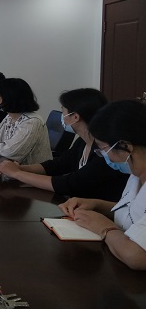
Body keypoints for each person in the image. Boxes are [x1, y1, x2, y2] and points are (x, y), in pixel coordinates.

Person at [58, 100, 146, 270]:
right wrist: (97, 204)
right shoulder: (136, 173)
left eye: (103, 149)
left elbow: (136, 256)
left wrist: (105, 228)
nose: (103, 156)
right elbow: (135, 213)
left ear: (125, 146)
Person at [0, 88, 128, 201]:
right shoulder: (82, 142)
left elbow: (69, 184)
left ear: (75, 117)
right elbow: (58, 165)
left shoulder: (105, 150)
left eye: (63, 111)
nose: (62, 116)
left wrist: (17, 174)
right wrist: (21, 168)